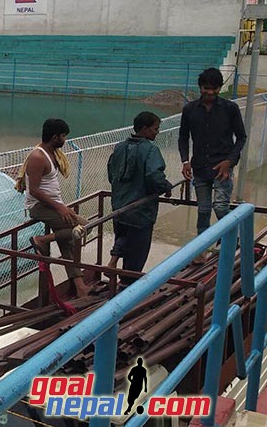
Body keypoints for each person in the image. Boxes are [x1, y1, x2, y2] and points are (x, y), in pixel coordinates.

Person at [178, 68, 247, 262]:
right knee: (203, 209)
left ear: (219, 88)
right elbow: (183, 138)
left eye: (214, 89)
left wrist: (229, 161)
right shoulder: (190, 109)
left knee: (221, 206)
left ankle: (232, 241)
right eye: (206, 88)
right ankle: (201, 248)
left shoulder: (229, 108)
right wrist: (185, 161)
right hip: (200, 167)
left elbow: (241, 137)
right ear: (200, 87)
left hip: (222, 168)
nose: (210, 93)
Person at [23, 118, 89, 296]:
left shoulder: (52, 153)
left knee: (67, 242)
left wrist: (60, 206)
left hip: (52, 204)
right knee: (83, 226)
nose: (65, 140)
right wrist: (60, 208)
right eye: (63, 136)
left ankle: (80, 286)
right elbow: (34, 190)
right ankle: (42, 240)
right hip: (40, 206)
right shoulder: (38, 157)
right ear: (54, 137)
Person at [106, 112, 173, 278]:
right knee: (136, 254)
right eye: (155, 129)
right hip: (140, 212)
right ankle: (126, 287)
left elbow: (111, 174)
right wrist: (166, 186)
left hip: (119, 208)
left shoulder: (120, 147)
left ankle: (113, 265)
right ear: (144, 129)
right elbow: (154, 177)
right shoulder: (151, 150)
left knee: (122, 237)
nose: (157, 132)